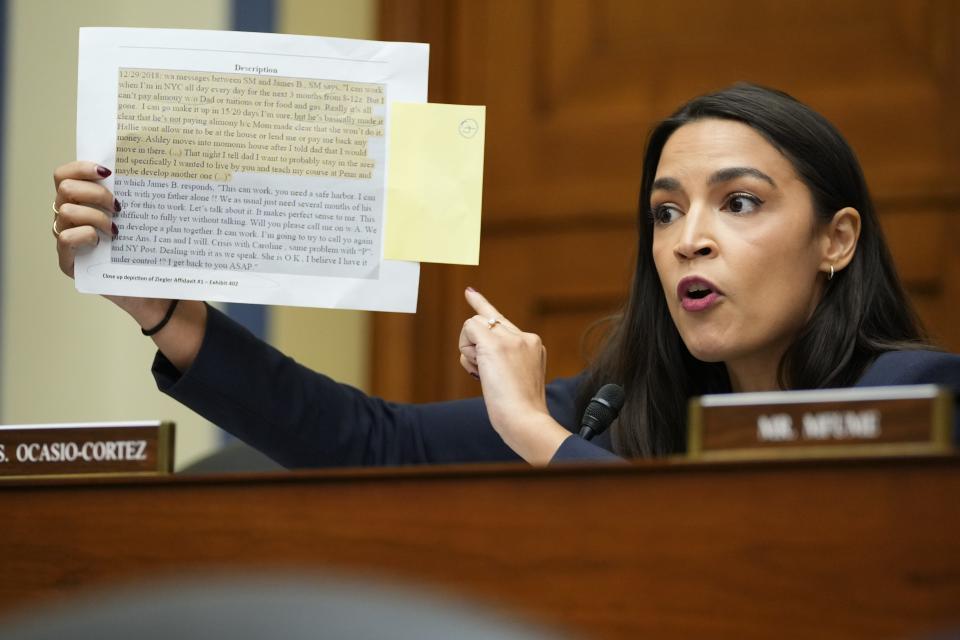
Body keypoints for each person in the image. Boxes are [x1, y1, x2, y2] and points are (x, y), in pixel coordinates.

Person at [51, 84, 960, 467]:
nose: (691, 239)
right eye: (666, 211)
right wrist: (163, 308)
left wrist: (531, 429)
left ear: (836, 240)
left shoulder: (919, 396)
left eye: (742, 203)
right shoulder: (620, 409)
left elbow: (745, 550)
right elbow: (376, 445)